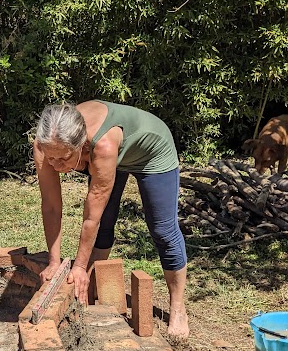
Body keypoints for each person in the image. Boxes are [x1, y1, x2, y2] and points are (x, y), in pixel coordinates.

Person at [34, 100, 189, 338]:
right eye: (51, 158)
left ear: (79, 146)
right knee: (106, 221)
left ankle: (178, 309)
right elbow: (52, 207)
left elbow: (90, 218)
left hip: (151, 150)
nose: (54, 165)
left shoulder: (102, 145)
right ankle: (94, 286)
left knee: (162, 229)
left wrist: (78, 266)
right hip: (105, 151)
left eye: (63, 159)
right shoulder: (46, 145)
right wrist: (54, 262)